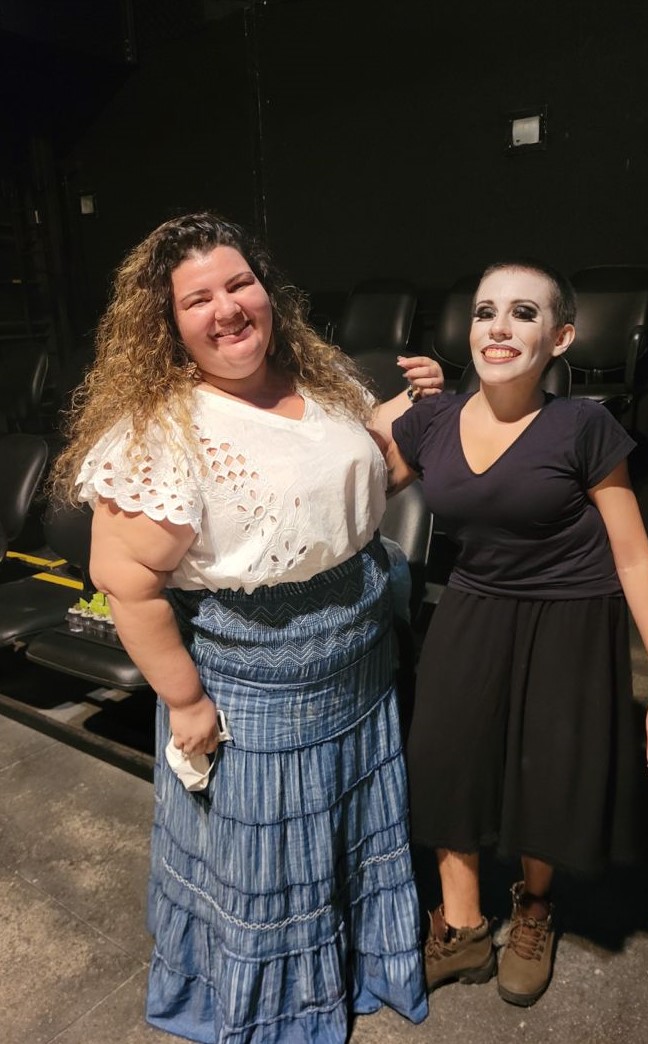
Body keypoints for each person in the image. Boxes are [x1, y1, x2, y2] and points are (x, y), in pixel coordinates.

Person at [50, 212, 444, 1043]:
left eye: (239, 284)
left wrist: (417, 412)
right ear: (168, 323)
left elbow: (366, 482)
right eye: (198, 299)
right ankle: (276, 1010)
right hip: (261, 694)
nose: (226, 309)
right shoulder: (160, 436)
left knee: (343, 833)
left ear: (268, 291)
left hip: (359, 664)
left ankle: (354, 964)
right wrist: (186, 701)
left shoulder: (322, 379)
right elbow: (126, 584)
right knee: (272, 863)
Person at [383, 259, 648, 1007]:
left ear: (560, 338)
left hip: (570, 612)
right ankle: (462, 929)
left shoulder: (584, 425)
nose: (499, 327)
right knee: (447, 756)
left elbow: (632, 555)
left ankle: (534, 908)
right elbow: (356, 463)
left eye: (524, 313)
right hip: (474, 603)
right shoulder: (434, 420)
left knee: (545, 771)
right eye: (485, 311)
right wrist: (406, 395)